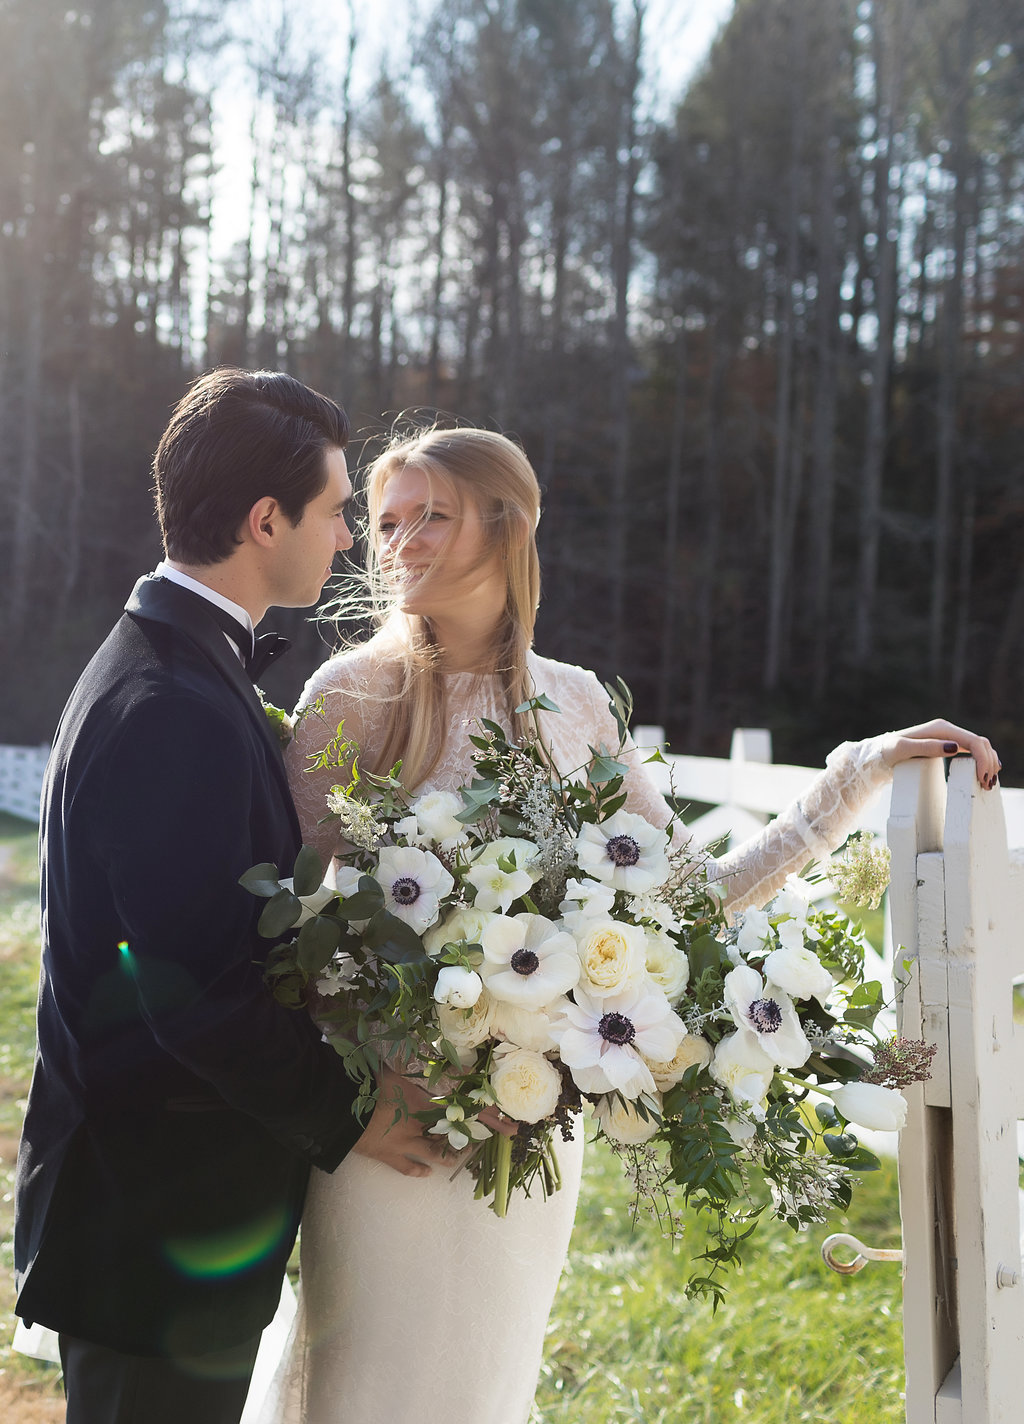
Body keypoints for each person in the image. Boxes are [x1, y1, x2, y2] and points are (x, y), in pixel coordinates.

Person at [253, 423, 999, 1424]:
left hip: (530, 1134)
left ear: (506, 525)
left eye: (431, 515)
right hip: (390, 1136)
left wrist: (851, 778)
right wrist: (366, 1090)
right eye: (386, 522)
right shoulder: (350, 696)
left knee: (484, 1390)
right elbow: (287, 931)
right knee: (363, 1391)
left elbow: (690, 895)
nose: (398, 543)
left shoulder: (574, 705)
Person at [13, 368, 446, 1424]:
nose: (349, 538)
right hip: (153, 1223)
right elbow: (193, 987)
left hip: (157, 1214)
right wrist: (358, 1115)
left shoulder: (175, 665)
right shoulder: (170, 706)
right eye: (338, 509)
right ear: (265, 520)